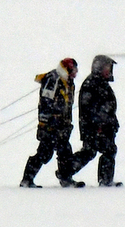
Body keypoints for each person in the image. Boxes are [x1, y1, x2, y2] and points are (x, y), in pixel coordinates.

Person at [19, 58, 84, 188]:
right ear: (67, 69)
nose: (75, 74)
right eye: (73, 71)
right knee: (44, 153)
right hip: (51, 125)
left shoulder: (69, 82)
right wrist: (44, 124)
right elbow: (45, 102)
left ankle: (66, 179)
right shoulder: (53, 79)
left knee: (65, 151)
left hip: (62, 125)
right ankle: (26, 179)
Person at [70, 55, 122, 187]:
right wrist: (99, 124)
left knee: (97, 150)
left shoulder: (100, 83)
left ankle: (105, 179)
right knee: (92, 151)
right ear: (98, 68)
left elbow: (108, 107)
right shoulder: (92, 84)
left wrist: (112, 123)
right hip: (95, 127)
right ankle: (66, 171)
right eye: (107, 68)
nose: (109, 71)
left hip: (103, 127)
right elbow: (90, 109)